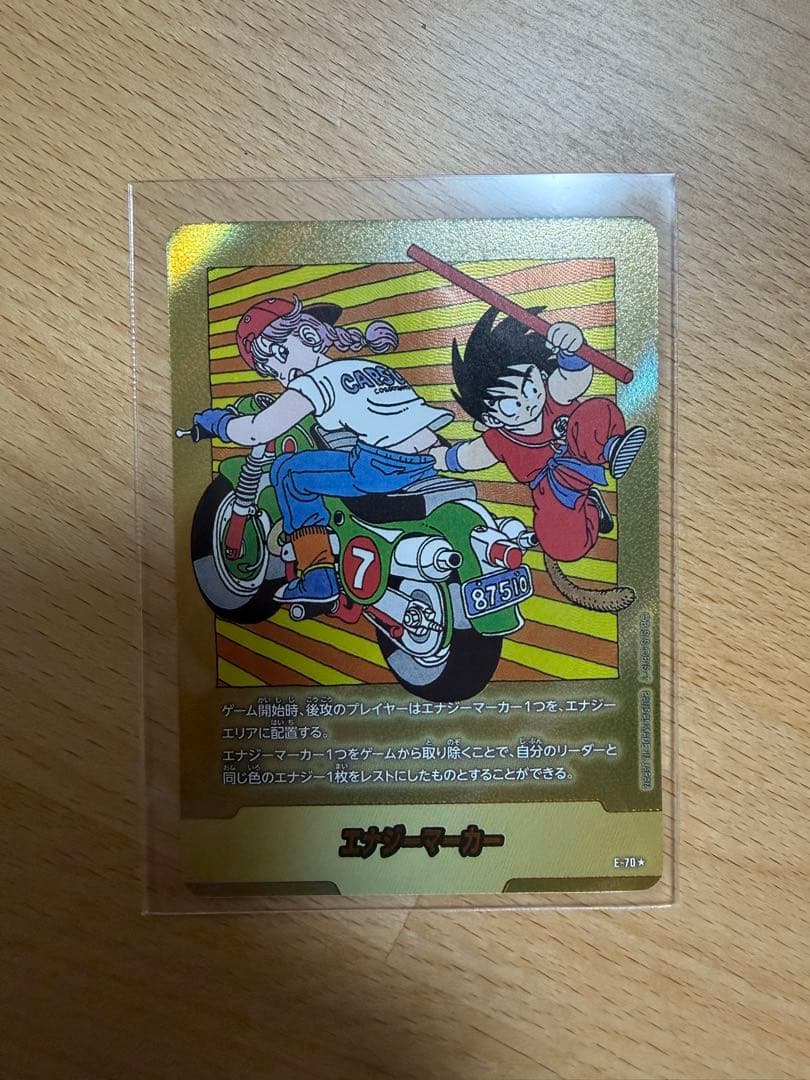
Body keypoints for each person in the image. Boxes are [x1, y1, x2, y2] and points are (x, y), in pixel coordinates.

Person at [193, 295, 452, 602]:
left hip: (380, 468)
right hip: (431, 456)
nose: (283, 377)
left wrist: (218, 422)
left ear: (305, 337)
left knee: (288, 472)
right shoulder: (370, 367)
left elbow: (256, 431)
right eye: (272, 373)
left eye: (279, 359)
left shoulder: (315, 382)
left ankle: (318, 577)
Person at [432, 306, 646, 564]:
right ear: (491, 419)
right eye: (510, 404)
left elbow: (575, 378)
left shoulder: (553, 392)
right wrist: (442, 458)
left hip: (586, 452)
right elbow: (469, 456)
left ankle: (613, 449)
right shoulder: (499, 440)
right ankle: (591, 509)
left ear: (541, 374)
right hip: (555, 489)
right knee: (560, 545)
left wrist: (571, 349)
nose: (527, 402)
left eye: (530, 386)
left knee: (593, 414)